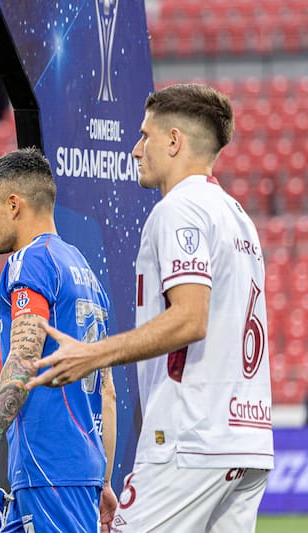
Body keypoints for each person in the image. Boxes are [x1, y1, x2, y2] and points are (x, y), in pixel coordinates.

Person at [26, 84, 274, 532]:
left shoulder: (178, 209)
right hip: (246, 439)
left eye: (145, 136)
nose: (136, 149)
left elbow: (190, 317)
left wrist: (92, 354)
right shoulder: (237, 215)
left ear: (174, 141)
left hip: (190, 438)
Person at [0, 147, 118, 532]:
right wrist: (105, 480)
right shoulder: (83, 269)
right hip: (78, 470)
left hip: (49, 468)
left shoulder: (31, 261)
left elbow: (24, 357)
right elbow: (108, 391)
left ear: (14, 204)